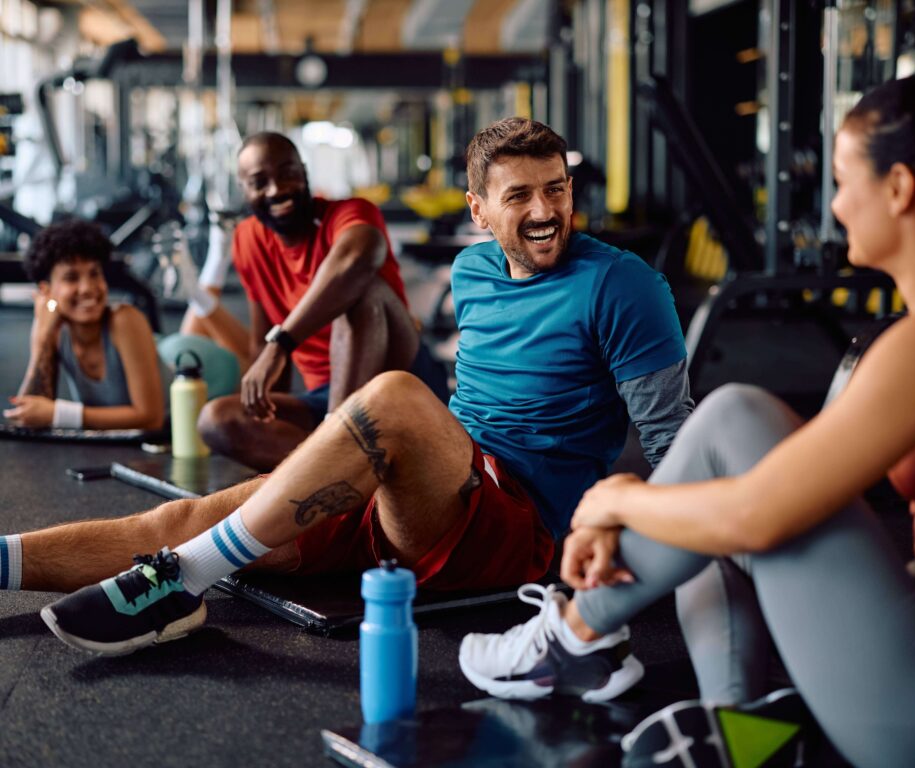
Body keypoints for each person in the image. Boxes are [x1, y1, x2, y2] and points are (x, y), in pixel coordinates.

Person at [459, 74, 915, 767]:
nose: (837, 207)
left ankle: (573, 635)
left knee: (731, 430)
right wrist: (656, 506)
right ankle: (733, 724)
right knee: (726, 444)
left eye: (844, 183)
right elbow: (775, 489)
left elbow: (755, 515)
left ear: (900, 189)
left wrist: (619, 499)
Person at [0, 118, 694, 665]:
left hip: (522, 522)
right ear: (479, 211)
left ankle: (181, 584)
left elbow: (674, 446)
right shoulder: (473, 271)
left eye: (557, 189)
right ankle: (27, 561)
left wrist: (693, 563)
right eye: (520, 196)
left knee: (392, 396)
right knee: (183, 523)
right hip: (429, 494)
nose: (545, 211)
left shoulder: (624, 286)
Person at [175, 131, 448, 471]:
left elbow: (361, 255)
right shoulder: (248, 239)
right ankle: (350, 469)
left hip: (399, 378)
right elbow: (264, 342)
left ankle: (334, 455)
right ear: (244, 189)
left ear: (304, 173)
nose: (277, 189)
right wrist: (266, 412)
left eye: (288, 172)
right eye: (260, 181)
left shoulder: (349, 213)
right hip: (323, 397)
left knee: (361, 291)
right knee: (216, 419)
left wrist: (281, 344)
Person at [3, 219, 167, 431]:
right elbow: (29, 417)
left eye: (94, 273)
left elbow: (151, 418)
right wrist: (41, 337)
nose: (87, 288)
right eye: (72, 277)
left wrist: (58, 413)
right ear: (46, 291)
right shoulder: (56, 331)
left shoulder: (125, 320)